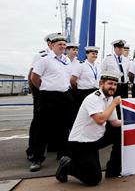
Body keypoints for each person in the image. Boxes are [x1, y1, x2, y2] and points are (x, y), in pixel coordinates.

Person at [55, 72, 122, 186]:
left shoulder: (110, 99)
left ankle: (113, 169)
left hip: (95, 139)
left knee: (121, 132)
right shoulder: (93, 98)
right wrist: (114, 104)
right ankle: (68, 165)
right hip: (80, 143)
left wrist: (133, 122)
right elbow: (100, 119)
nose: (113, 87)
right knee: (93, 179)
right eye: (110, 83)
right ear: (101, 83)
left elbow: (115, 123)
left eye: (115, 84)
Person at [29, 34, 74, 172]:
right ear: (52, 45)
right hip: (48, 96)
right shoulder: (45, 60)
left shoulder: (67, 60)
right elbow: (34, 77)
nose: (62, 46)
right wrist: (44, 88)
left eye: (64, 44)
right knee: (43, 128)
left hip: (64, 96)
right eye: (59, 44)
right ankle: (37, 159)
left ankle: (63, 155)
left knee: (64, 127)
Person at [26, 32, 60, 161]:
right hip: (42, 93)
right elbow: (32, 76)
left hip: (56, 94)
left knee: (54, 121)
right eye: (56, 42)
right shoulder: (41, 55)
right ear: (49, 43)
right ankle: (32, 150)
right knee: (38, 123)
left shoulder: (61, 57)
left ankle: (52, 145)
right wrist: (37, 92)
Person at [71, 46, 101, 115]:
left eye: (96, 54)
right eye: (93, 53)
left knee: (94, 112)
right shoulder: (81, 65)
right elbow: (73, 80)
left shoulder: (98, 65)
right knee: (83, 113)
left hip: (95, 91)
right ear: (87, 54)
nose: (95, 55)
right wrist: (77, 89)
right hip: (83, 92)